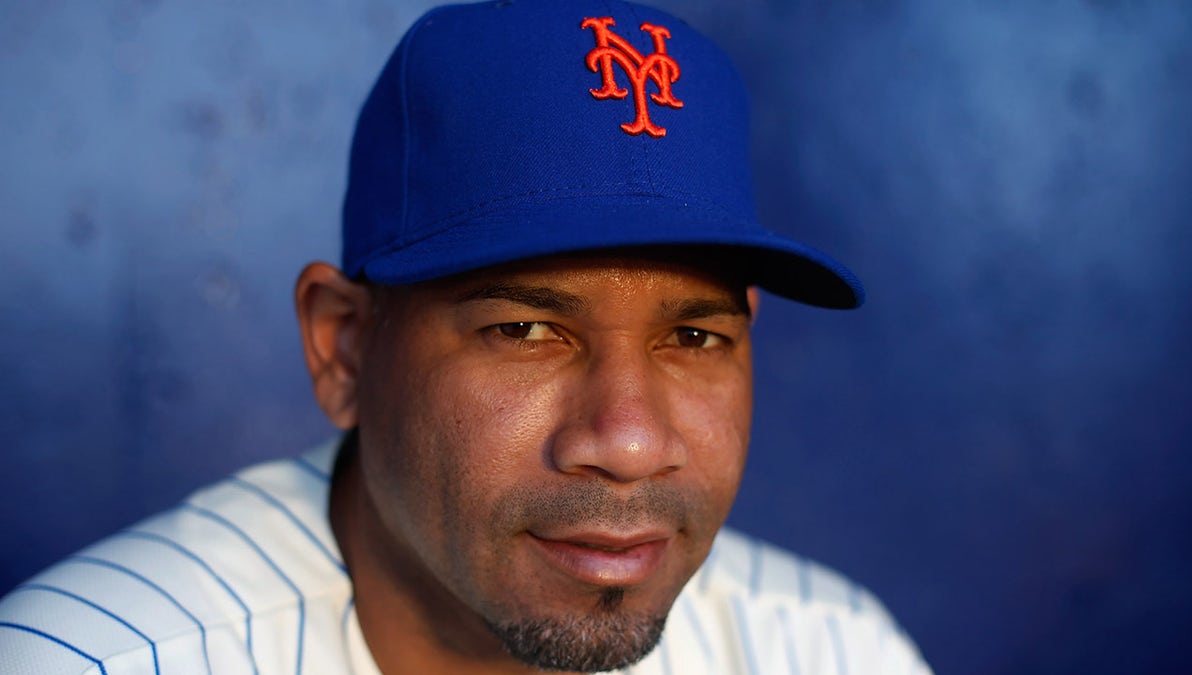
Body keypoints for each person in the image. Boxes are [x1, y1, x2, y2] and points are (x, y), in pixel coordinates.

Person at [0, 0, 931, 673]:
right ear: (345, 347)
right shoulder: (90, 659)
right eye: (526, 328)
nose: (631, 440)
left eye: (692, 335)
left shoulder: (833, 647)